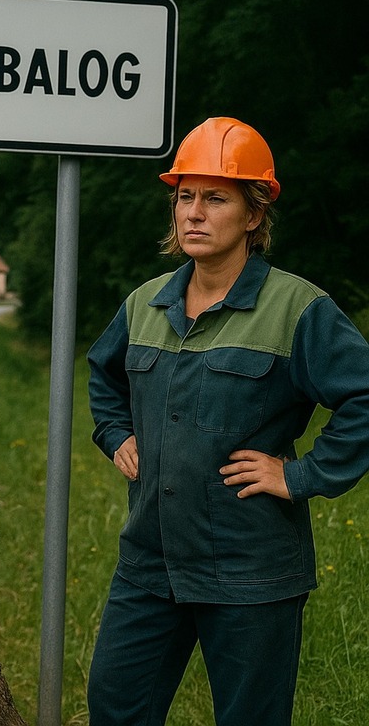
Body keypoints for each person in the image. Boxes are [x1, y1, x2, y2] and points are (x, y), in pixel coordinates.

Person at [86, 116, 369, 725]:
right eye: (185, 196)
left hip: (251, 573)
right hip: (150, 562)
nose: (194, 212)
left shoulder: (299, 309)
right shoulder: (145, 303)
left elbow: (364, 396)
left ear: (255, 213)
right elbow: (104, 376)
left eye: (216, 198)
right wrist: (116, 435)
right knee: (115, 707)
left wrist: (301, 475)